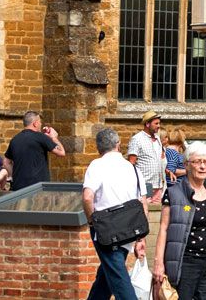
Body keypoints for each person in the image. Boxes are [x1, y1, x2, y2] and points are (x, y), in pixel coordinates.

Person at [153, 144, 206, 299]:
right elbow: (164, 229)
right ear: (186, 165)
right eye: (197, 162)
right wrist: (159, 263)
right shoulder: (174, 193)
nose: (202, 166)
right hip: (185, 264)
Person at [83, 128, 148, 300]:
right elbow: (143, 203)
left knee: (119, 279)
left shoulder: (96, 165)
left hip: (105, 230)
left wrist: (92, 222)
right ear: (118, 145)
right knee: (107, 276)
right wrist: (141, 238)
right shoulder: (134, 169)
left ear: (99, 149)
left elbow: (88, 197)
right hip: (129, 230)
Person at [5, 111, 66, 190]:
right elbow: (61, 152)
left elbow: (6, 162)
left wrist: (15, 175)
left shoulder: (15, 139)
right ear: (35, 123)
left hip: (18, 187)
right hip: (37, 187)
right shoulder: (40, 137)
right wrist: (54, 138)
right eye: (40, 122)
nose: (41, 124)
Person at [127, 111, 166, 202]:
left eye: (159, 123)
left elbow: (158, 160)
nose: (158, 126)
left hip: (158, 185)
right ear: (147, 124)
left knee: (157, 214)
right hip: (144, 186)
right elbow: (131, 163)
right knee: (144, 213)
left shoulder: (157, 139)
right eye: (156, 123)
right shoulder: (137, 139)